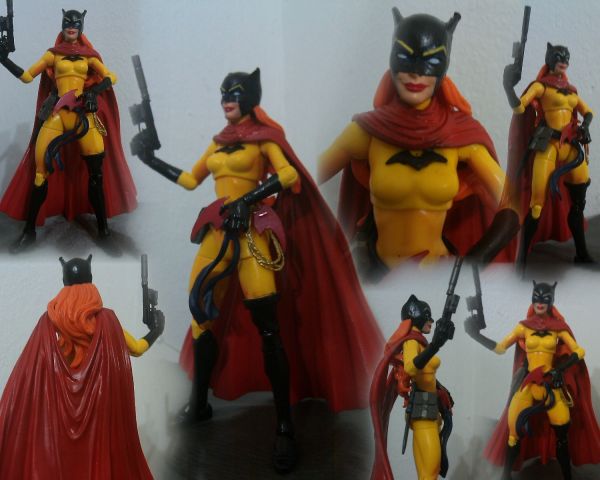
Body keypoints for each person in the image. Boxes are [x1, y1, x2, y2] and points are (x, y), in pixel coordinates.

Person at [131, 68, 383, 473]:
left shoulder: (265, 138)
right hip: (216, 234)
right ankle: (198, 404)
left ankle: (284, 425)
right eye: (223, 93)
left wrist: (248, 201)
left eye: (234, 93)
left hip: (251, 235)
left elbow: (287, 175)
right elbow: (190, 180)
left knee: (268, 326)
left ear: (250, 96)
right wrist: (151, 159)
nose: (226, 100)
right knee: (200, 317)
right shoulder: (219, 142)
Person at [318, 9, 518, 280]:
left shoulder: (460, 136)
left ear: (443, 67)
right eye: (404, 58)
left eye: (431, 61)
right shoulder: (367, 132)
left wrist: (474, 261)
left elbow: (512, 203)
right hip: (375, 272)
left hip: (437, 275)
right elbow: (305, 176)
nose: (415, 74)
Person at [0, 255, 164, 479]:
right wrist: (156, 331)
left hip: (61, 408)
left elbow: (32, 368)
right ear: (91, 279)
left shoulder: (50, 323)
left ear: (64, 282)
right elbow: (136, 348)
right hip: (99, 403)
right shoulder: (107, 320)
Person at [0, 9, 136, 251]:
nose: (71, 26)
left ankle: (103, 231)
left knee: (96, 172)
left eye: (76, 22)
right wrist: (4, 59)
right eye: (67, 22)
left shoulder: (89, 57)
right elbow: (27, 77)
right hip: (58, 114)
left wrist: (94, 92)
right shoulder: (53, 55)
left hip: (83, 114)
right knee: (40, 170)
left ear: (82, 26)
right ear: (62, 25)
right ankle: (28, 232)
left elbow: (111, 77)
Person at [465, 281, 600, 479]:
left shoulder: (558, 328)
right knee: (513, 428)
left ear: (551, 301)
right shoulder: (523, 327)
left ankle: (567, 476)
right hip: (528, 384)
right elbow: (501, 348)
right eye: (536, 297)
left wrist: (560, 369)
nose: (540, 302)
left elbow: (579, 351)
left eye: (545, 298)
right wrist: (476, 336)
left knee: (562, 426)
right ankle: (505, 475)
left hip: (549, 383)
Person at [503, 43, 594, 266]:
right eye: (559, 56)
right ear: (550, 59)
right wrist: (508, 87)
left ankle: (581, 254)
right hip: (548, 145)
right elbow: (519, 107)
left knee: (578, 201)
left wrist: (586, 126)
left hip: (571, 147)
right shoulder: (540, 87)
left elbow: (588, 111)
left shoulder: (571, 90)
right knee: (536, 204)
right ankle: (522, 259)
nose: (563, 60)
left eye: (566, 57)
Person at [370, 295, 454, 480]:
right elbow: (410, 368)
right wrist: (435, 346)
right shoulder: (411, 342)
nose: (431, 320)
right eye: (427, 316)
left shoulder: (421, 342)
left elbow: (427, 375)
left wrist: (442, 392)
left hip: (431, 406)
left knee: (428, 471)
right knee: (431, 467)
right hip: (422, 407)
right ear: (416, 317)